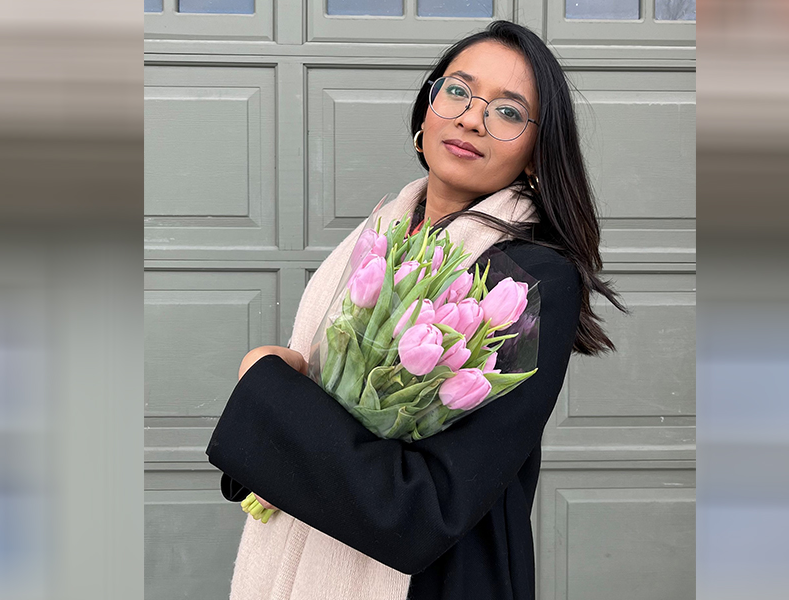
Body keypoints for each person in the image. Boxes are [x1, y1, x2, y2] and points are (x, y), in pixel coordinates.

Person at [206, 20, 627, 600]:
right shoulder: (379, 236)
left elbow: (432, 505)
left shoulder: (526, 280)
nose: (472, 117)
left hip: (434, 581)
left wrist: (268, 384)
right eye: (457, 90)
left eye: (508, 112)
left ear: (535, 155)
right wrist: (282, 427)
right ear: (425, 112)